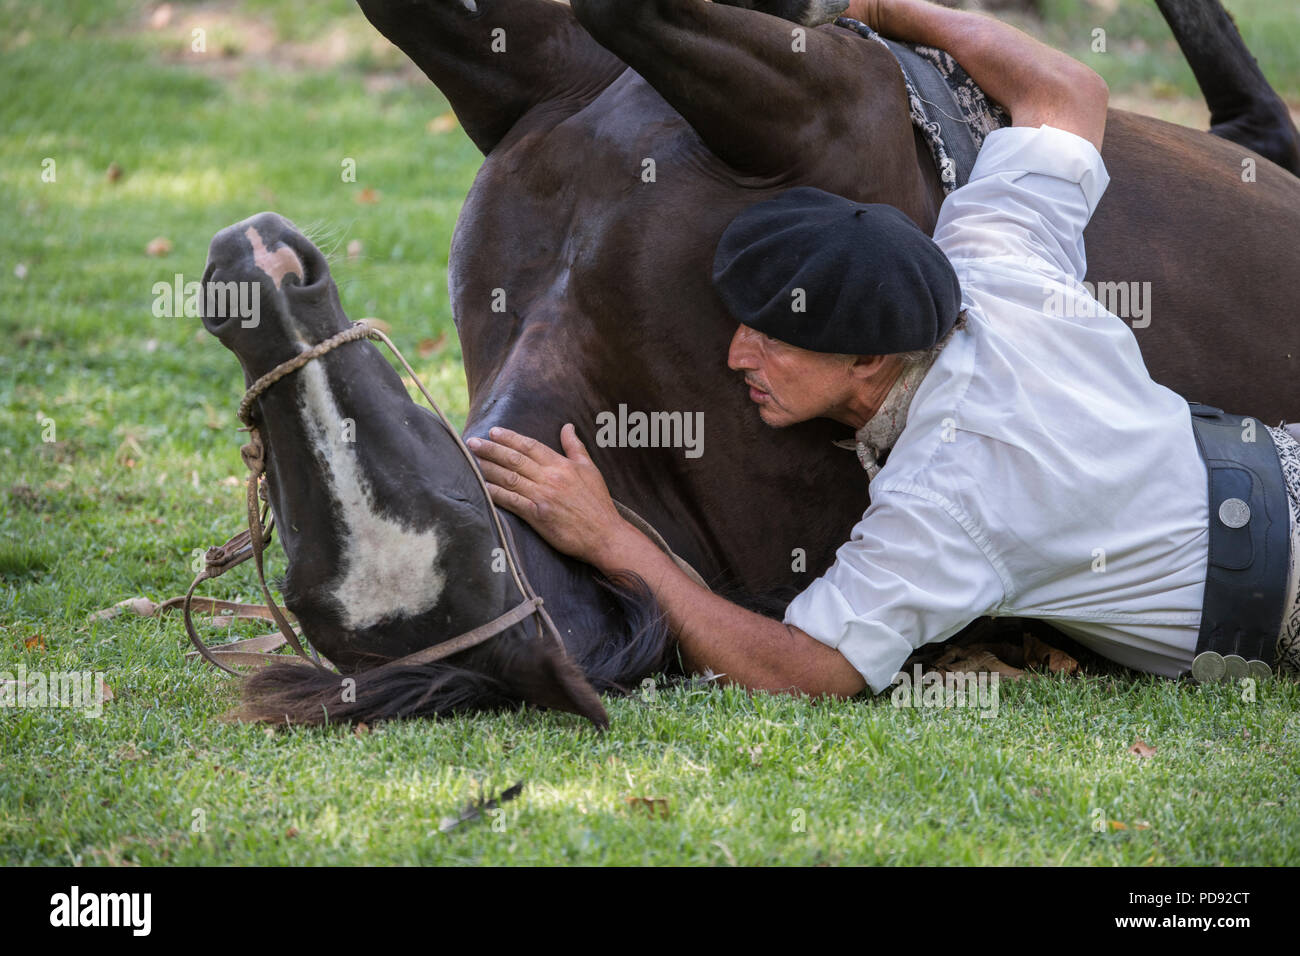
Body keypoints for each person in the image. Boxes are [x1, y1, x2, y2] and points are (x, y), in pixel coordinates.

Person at [466, 0, 1300, 697]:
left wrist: (611, 540)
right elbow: (1066, 88)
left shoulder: (953, 494)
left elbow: (807, 668)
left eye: (771, 341)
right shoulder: (992, 257)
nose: (735, 358)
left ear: (868, 362)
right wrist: (875, 8)